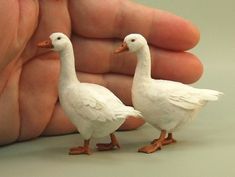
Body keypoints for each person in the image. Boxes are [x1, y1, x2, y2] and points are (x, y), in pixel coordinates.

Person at [0, 0, 202, 146]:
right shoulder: (81, 88)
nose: (50, 41)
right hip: (116, 113)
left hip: (113, 114)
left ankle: (90, 145)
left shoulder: (72, 92)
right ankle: (115, 139)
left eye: (56, 38)